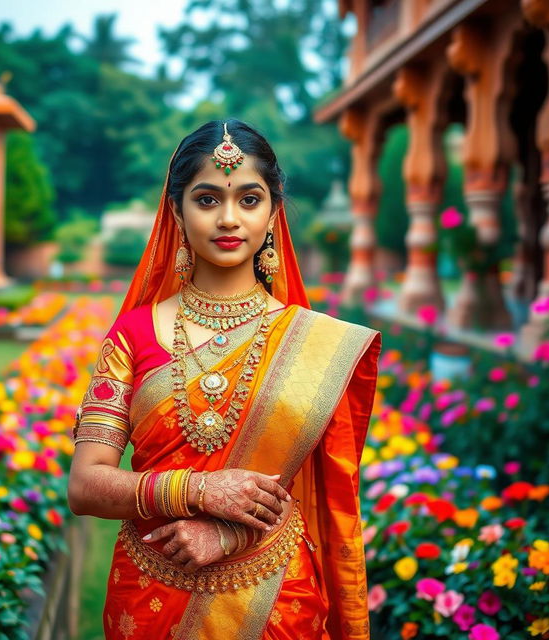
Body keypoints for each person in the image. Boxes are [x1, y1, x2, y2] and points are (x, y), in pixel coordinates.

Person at [67, 119, 381, 640]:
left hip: (276, 595)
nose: (229, 219)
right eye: (208, 199)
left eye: (250, 200)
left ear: (274, 213)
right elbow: (85, 486)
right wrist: (200, 490)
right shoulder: (134, 334)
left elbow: (312, 491)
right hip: (149, 594)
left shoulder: (312, 343)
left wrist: (228, 534)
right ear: (176, 210)